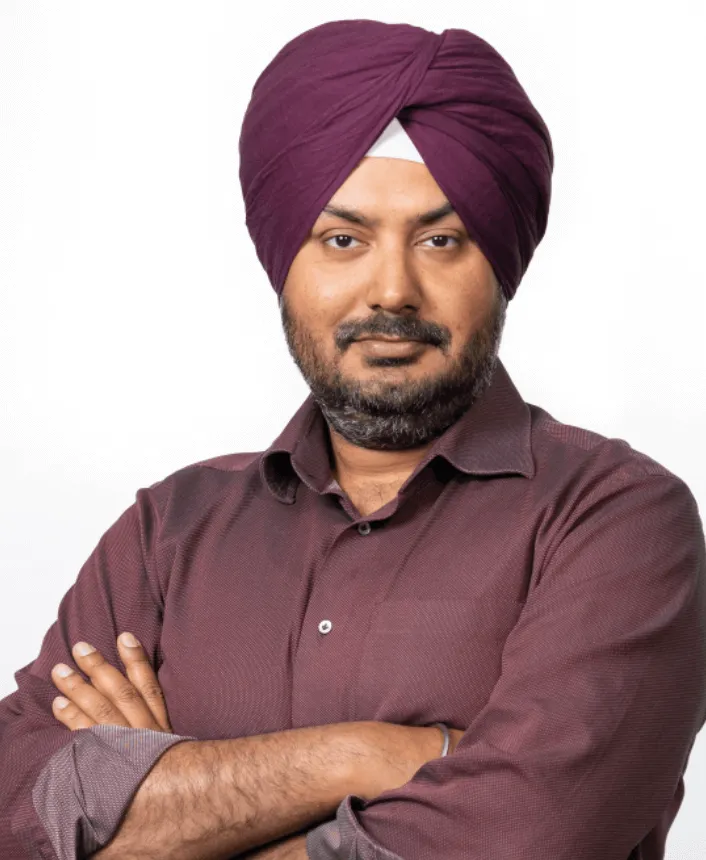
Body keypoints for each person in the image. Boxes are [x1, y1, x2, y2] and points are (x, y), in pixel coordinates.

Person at [1, 17, 704, 860]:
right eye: (343, 239)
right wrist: (368, 755)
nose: (393, 290)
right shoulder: (166, 534)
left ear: (499, 266)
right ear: (284, 264)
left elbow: (529, 832)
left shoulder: (618, 520)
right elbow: (15, 804)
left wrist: (164, 811)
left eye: (441, 240)